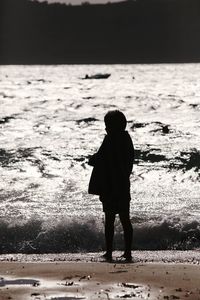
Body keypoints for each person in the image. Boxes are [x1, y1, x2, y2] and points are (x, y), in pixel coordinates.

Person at [88, 110, 134, 262]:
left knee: (109, 220)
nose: (106, 128)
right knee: (125, 219)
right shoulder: (126, 139)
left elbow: (99, 158)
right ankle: (127, 252)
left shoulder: (110, 140)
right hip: (122, 185)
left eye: (107, 125)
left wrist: (92, 159)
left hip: (109, 186)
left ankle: (109, 252)